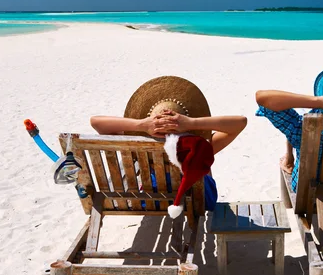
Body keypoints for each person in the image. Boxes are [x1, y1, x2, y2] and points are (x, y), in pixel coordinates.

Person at [91, 76, 247, 210]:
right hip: (197, 200)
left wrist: (141, 125)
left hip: (151, 200)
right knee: (204, 158)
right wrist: (192, 123)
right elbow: (240, 123)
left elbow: (96, 122)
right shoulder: (195, 145)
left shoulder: (139, 144)